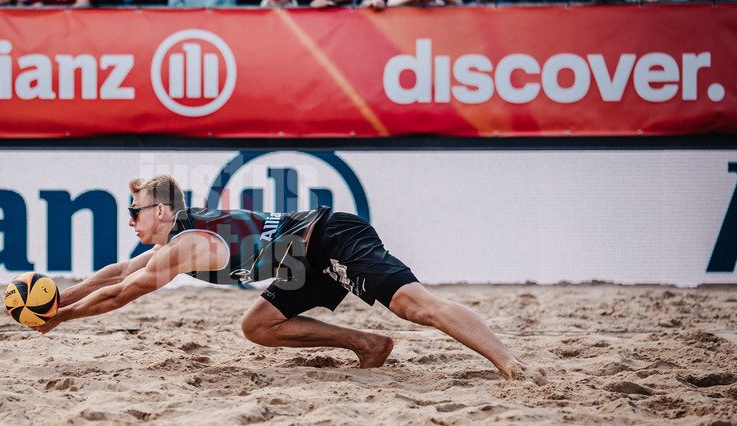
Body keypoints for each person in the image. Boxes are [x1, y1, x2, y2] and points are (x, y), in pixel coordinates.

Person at [32, 175, 546, 383]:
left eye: (134, 211)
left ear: (162, 210)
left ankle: (512, 365)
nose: (129, 220)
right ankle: (369, 343)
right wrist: (60, 295)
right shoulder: (177, 240)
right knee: (258, 325)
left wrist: (61, 317)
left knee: (416, 305)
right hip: (300, 265)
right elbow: (118, 271)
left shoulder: (186, 246)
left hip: (328, 239)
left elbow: (123, 293)